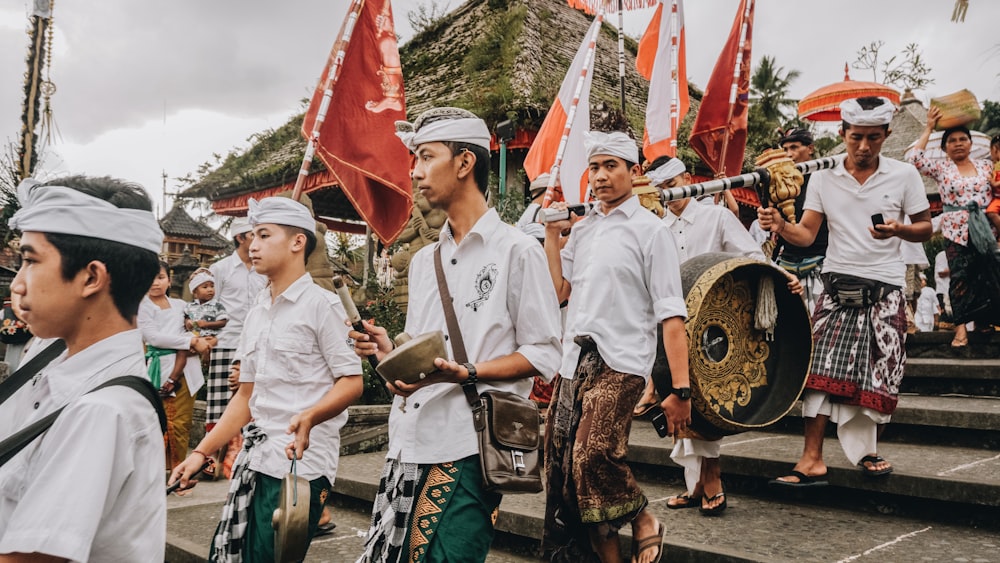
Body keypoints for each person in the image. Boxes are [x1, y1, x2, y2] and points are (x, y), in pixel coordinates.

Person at [349, 107, 562, 563]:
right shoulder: (426, 262)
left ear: (465, 163)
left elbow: (545, 352)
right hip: (408, 439)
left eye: (426, 157)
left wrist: (468, 371)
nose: (416, 172)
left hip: (468, 444)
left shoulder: (518, 251)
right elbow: (420, 350)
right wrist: (390, 353)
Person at [169, 196, 364, 562]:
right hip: (255, 460)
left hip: (300, 464)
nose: (252, 245)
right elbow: (246, 397)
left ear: (297, 242)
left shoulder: (323, 306)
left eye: (263, 235)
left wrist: (310, 416)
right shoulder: (257, 312)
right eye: (251, 236)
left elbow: (352, 381)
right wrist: (200, 452)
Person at [759, 96, 931, 484]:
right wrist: (779, 225)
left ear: (886, 135)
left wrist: (899, 229)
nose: (864, 147)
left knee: (880, 374)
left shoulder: (904, 175)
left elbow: (925, 226)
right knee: (817, 372)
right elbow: (805, 235)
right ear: (843, 134)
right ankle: (811, 458)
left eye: (873, 138)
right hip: (836, 285)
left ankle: (867, 451)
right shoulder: (822, 177)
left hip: (885, 285)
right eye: (856, 137)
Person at [0, 175, 167, 561]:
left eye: (29, 261)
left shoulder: (102, 411)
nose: (18, 284)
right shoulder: (50, 358)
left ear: (91, 277)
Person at [543, 130, 689, 563]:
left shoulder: (652, 231)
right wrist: (553, 238)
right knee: (563, 470)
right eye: (595, 167)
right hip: (575, 362)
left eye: (611, 166)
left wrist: (679, 391)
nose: (601, 176)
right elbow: (559, 292)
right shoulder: (585, 230)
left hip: (621, 362)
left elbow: (671, 315)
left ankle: (644, 519)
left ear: (634, 171)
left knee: (592, 456)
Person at [637, 156, 801, 517]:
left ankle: (712, 480)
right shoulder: (655, 227)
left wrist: (779, 276)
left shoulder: (716, 216)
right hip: (670, 327)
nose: (668, 193)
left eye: (671, 184)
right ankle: (695, 485)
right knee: (678, 399)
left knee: (708, 402)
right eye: (661, 188)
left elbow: (751, 254)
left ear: (684, 178)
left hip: (715, 324)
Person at [908, 106, 1000, 345]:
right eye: (952, 141)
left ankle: (983, 322)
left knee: (986, 275)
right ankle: (961, 328)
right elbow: (914, 159)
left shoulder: (986, 166)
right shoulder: (942, 169)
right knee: (960, 278)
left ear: (970, 144)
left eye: (963, 139)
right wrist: (929, 127)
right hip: (956, 230)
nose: (958, 144)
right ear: (945, 147)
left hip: (986, 229)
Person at [205, 217, 267, 477]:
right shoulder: (221, 269)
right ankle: (210, 462)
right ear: (241, 238)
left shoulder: (264, 269)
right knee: (220, 403)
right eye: (253, 235)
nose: (258, 241)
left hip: (256, 343)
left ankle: (241, 459)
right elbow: (210, 306)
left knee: (253, 400)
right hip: (226, 341)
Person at [138, 261, 211, 469]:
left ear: (169, 280)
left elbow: (198, 322)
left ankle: (178, 472)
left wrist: (193, 338)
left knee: (182, 423)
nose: (155, 283)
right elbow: (152, 337)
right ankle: (156, 470)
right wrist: (189, 341)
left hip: (188, 368)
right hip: (161, 368)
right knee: (160, 422)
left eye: (160, 277)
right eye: (150, 278)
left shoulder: (180, 305)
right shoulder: (143, 307)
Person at [774, 127, 829, 313]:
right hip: (787, 266)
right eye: (785, 149)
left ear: (810, 148)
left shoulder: (824, 178)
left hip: (819, 263)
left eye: (794, 147)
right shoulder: (780, 182)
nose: (789, 154)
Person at [184, 268, 229, 341]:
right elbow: (186, 317)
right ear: (195, 292)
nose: (210, 289)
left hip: (212, 340)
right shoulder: (190, 306)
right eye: (205, 287)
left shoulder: (217, 306)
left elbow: (223, 322)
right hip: (194, 339)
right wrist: (188, 322)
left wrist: (206, 324)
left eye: (212, 286)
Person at [516, 172, 553, 243]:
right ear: (549, 191)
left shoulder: (530, 211)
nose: (559, 195)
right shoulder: (540, 213)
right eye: (558, 191)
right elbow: (551, 243)